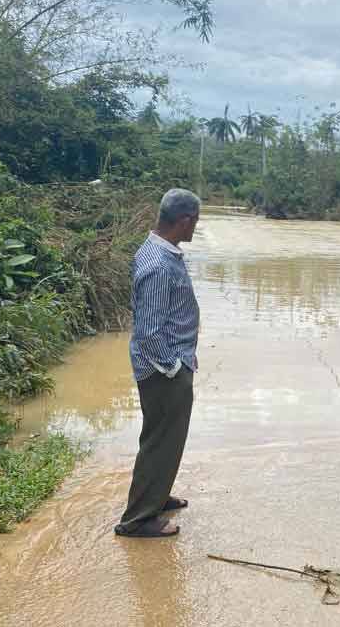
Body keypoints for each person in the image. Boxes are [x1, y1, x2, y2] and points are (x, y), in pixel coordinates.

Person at [115, 188, 202, 538]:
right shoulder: (158, 266)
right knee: (161, 440)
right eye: (195, 221)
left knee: (162, 437)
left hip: (167, 364)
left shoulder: (157, 250)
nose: (196, 227)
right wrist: (174, 368)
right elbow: (149, 331)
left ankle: (157, 494)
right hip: (164, 368)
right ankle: (138, 519)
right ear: (183, 222)